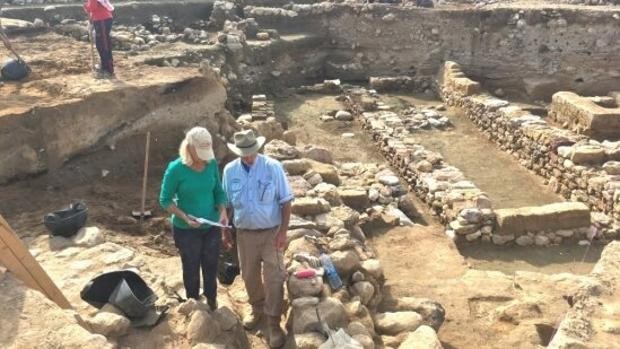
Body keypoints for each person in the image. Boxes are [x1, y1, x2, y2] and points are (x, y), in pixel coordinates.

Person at [222, 129, 293, 348]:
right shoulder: (230, 171)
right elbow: (225, 204)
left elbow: (286, 201)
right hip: (244, 234)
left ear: (257, 148)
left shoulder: (273, 168)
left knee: (274, 277)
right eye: (244, 153)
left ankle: (273, 322)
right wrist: (225, 230)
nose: (248, 156)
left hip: (271, 231)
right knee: (249, 275)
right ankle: (256, 309)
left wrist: (282, 232)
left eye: (251, 152)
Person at [159, 127, 229, 310]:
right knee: (191, 266)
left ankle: (212, 300)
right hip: (186, 229)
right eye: (201, 153)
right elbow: (165, 200)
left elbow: (218, 191)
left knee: (211, 264)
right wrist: (185, 217)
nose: (205, 158)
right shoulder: (176, 169)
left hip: (210, 225)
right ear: (189, 148)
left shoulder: (211, 164)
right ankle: (193, 304)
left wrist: (222, 211)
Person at [84, 0, 115, 78]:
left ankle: (108, 69)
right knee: (100, 45)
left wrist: (86, 6)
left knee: (104, 45)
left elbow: (92, 6)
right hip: (100, 20)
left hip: (102, 20)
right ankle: (104, 64)